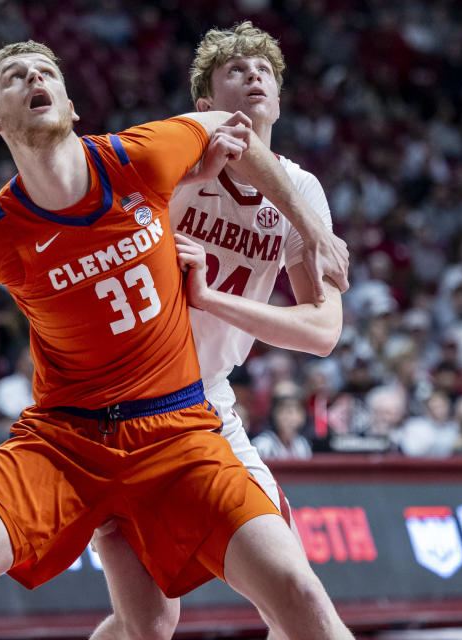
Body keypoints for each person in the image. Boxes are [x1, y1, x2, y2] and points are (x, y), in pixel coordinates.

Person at [0, 40, 351, 639]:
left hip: (178, 428)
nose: (34, 78)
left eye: (46, 71)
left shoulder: (139, 157)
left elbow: (233, 128)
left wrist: (310, 228)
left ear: (71, 104)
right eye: (15, 77)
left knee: (275, 598)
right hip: (65, 437)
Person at [89, 23, 345, 640]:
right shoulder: (174, 158)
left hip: (205, 402)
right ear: (201, 106)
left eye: (265, 69)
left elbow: (321, 333)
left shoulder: (302, 191)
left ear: (280, 99)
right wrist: (310, 229)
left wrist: (214, 299)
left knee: (299, 595)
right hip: (113, 405)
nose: (254, 74)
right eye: (236, 69)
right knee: (147, 625)